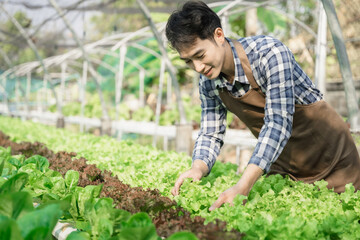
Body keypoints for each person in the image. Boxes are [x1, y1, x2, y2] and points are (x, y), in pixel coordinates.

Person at [165, 0, 360, 211]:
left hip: (334, 160)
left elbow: (278, 123)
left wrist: (243, 185)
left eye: (200, 55)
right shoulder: (209, 82)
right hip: (285, 166)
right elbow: (211, 133)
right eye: (188, 62)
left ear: (218, 36)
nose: (198, 67)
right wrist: (197, 168)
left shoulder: (269, 54)